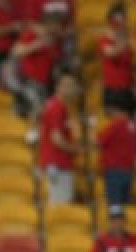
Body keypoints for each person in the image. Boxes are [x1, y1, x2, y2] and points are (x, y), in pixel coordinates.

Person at [38, 73, 81, 205]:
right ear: (60, 87)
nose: (74, 89)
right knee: (61, 204)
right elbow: (56, 139)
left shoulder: (54, 105)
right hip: (58, 163)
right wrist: (75, 149)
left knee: (58, 201)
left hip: (55, 163)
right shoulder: (58, 107)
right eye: (70, 86)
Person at [96, 95, 136, 207]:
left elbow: (99, 141)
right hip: (128, 170)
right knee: (124, 205)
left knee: (115, 206)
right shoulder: (133, 125)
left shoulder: (116, 125)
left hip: (114, 171)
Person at [99, 3, 135, 110]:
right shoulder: (104, 40)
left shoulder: (128, 44)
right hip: (113, 90)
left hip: (127, 89)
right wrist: (122, 37)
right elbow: (112, 54)